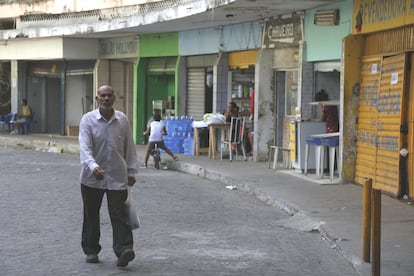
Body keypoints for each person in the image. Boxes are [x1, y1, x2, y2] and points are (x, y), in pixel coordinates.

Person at [78, 85, 139, 267]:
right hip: (91, 178)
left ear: (114, 98)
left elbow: (130, 147)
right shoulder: (87, 120)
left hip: (117, 176)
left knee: (119, 214)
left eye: (109, 95)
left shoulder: (122, 120)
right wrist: (93, 166)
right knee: (91, 215)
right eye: (102, 95)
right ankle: (91, 250)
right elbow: (84, 147)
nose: (106, 98)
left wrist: (131, 171)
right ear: (97, 99)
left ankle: (123, 250)